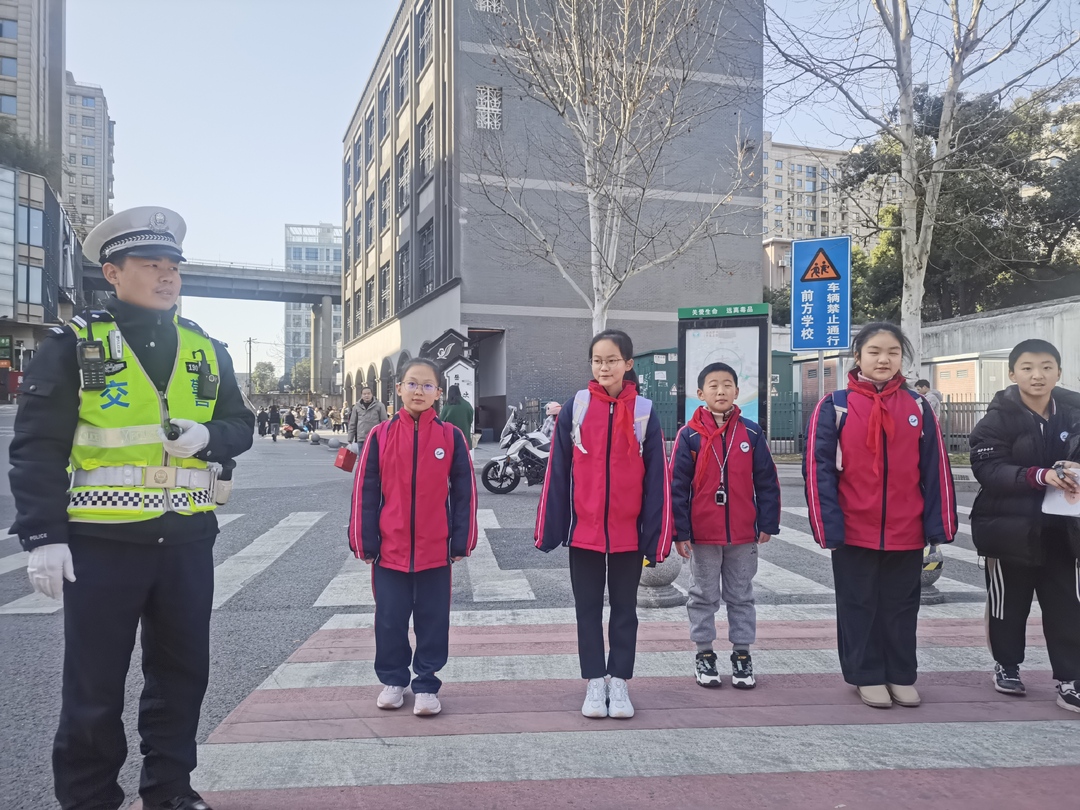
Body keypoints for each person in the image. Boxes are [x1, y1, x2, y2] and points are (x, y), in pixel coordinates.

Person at [8, 207, 255, 810]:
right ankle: (90, 799)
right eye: (152, 266)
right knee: (94, 688)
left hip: (188, 541)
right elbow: (38, 444)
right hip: (102, 542)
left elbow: (240, 425)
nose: (167, 277)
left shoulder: (205, 347)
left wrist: (208, 438)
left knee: (181, 679)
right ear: (113, 274)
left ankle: (170, 791)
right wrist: (43, 535)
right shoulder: (75, 344)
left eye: (173, 267)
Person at [803, 322, 956, 710]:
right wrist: (827, 525)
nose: (883, 359)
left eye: (891, 351)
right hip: (854, 528)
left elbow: (935, 468)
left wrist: (939, 524)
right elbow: (818, 469)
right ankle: (866, 674)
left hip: (907, 528)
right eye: (874, 351)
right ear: (858, 357)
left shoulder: (918, 407)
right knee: (858, 604)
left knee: (902, 606)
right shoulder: (835, 405)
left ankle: (900, 674)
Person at [535, 329, 671, 719]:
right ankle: (595, 682)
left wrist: (656, 535)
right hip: (585, 533)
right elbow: (558, 472)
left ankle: (620, 681)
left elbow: (656, 479)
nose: (604, 366)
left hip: (628, 535)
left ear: (628, 364)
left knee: (625, 609)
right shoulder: (576, 407)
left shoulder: (644, 411)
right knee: (587, 609)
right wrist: (553, 527)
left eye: (612, 359)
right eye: (597, 360)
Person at [349, 358, 477, 716]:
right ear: (399, 388)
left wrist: (461, 541)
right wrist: (365, 541)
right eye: (412, 384)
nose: (418, 391)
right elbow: (366, 490)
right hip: (389, 550)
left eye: (426, 385)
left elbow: (465, 492)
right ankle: (393, 679)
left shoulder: (451, 436)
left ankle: (426, 683)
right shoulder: (381, 435)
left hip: (436, 551)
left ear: (438, 392)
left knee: (432, 619)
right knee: (389, 618)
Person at [968, 339, 1080, 713]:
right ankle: (1007, 665)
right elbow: (987, 469)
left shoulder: (1074, 412)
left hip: (1063, 531)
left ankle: (1070, 677)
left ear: (1059, 373)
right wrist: (1038, 475)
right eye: (1028, 367)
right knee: (1008, 603)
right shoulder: (997, 418)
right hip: (1008, 528)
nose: (1038, 375)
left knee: (1066, 603)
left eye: (1047, 367)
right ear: (1013, 373)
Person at [670, 362, 781, 690]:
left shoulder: (751, 432)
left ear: (737, 392)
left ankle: (742, 655)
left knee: (741, 595)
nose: (721, 391)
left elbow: (767, 481)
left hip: (743, 534)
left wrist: (768, 522)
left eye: (728, 385)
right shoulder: (689, 435)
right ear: (701, 394)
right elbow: (677, 486)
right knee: (703, 596)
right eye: (714, 386)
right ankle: (704, 653)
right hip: (703, 535)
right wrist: (680, 531)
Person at [347, 385, 388, 452]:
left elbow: (384, 422)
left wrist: (385, 437)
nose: (367, 395)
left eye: (368, 393)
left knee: (374, 459)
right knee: (362, 459)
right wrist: (350, 439)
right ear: (361, 395)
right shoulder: (356, 407)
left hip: (375, 437)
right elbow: (352, 424)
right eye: (364, 394)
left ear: (372, 394)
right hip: (361, 438)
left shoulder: (380, 406)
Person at [439, 384, 475, 449]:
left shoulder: (448, 406)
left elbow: (441, 421)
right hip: (464, 438)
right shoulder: (467, 404)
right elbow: (470, 419)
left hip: (450, 438)